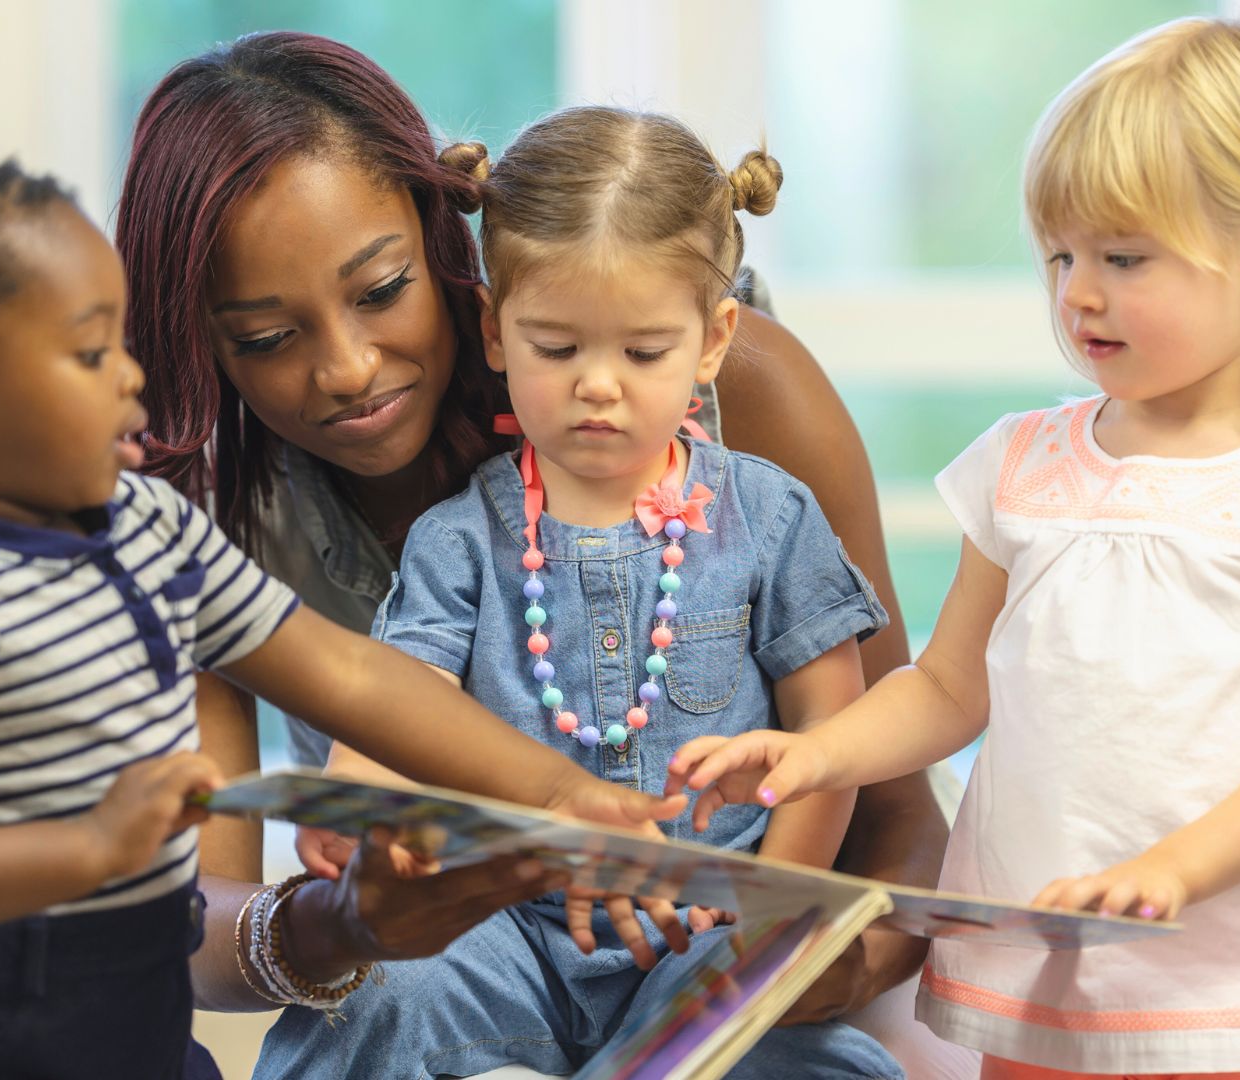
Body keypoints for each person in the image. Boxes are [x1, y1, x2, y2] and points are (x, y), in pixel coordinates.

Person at [115, 30, 955, 1067]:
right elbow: (195, 919)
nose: (345, 369)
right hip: (484, 952)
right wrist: (341, 917)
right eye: (264, 338)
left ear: (445, 253)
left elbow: (891, 795)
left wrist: (809, 959)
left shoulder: (746, 424)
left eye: (380, 291)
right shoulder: (216, 522)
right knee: (388, 1009)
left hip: (731, 940)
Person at [0, 158, 682, 1080]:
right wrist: (91, 849)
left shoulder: (148, 526)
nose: (134, 377)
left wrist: (554, 794)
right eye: (93, 353)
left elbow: (347, 674)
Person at [667, 17, 1240, 1079]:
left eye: (1123, 258)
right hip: (1043, 971)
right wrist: (817, 753)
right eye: (1060, 254)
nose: (1076, 293)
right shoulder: (1023, 466)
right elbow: (945, 687)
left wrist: (1176, 869)